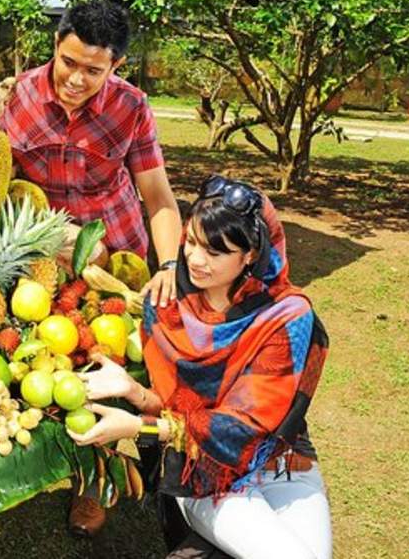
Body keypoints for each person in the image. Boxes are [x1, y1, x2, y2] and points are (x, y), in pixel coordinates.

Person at [68, 174, 332, 559]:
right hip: (204, 475)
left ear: (250, 256)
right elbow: (176, 407)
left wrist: (138, 426)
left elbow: (241, 429)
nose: (194, 259)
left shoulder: (286, 317)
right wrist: (133, 390)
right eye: (190, 241)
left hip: (280, 464)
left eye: (214, 251)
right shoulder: (166, 308)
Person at [0, 0, 181, 307]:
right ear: (56, 44)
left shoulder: (131, 106)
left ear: (116, 64)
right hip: (46, 263)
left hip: (121, 261)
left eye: (93, 71)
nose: (76, 80)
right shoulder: (16, 97)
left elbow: (158, 197)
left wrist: (170, 266)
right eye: (68, 62)